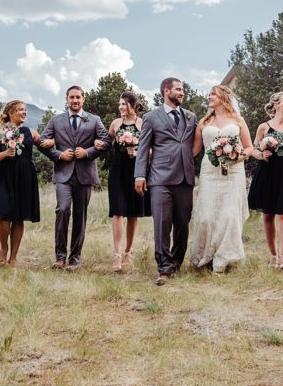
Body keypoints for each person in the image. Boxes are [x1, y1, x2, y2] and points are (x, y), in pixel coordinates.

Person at [134, 77, 197, 286]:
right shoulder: (151, 117)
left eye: (183, 90)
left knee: (183, 224)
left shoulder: (191, 116)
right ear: (166, 91)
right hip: (160, 178)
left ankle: (176, 263)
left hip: (185, 176)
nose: (182, 93)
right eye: (178, 89)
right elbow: (143, 149)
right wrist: (140, 175)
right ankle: (164, 267)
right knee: (161, 223)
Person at [40, 85, 110, 270]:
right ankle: (60, 257)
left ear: (83, 99)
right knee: (62, 210)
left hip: (85, 175)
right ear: (66, 99)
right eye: (71, 97)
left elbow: (106, 142)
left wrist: (87, 152)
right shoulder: (56, 120)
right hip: (63, 174)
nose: (75, 100)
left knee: (81, 215)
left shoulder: (94, 120)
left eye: (78, 97)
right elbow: (42, 143)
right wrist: (58, 155)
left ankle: (75, 258)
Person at [189, 84, 256, 274]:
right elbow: (193, 150)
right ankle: (205, 256)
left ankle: (223, 258)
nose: (209, 96)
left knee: (229, 215)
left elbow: (249, 147)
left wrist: (236, 157)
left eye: (213, 94)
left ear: (223, 97)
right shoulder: (204, 122)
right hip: (209, 172)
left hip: (233, 173)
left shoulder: (237, 120)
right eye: (209, 94)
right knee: (206, 216)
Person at [248, 92, 283, 270]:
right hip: (267, 173)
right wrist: (261, 154)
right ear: (276, 105)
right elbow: (253, 149)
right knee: (267, 215)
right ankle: (273, 255)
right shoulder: (263, 127)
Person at [0, 100, 45, 266]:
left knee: (19, 216)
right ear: (10, 113)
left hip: (24, 176)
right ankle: (3, 247)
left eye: (25, 110)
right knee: (2, 213)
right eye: (20, 110)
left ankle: (13, 257)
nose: (24, 112)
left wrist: (54, 144)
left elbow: (45, 146)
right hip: (4, 175)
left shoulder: (31, 132)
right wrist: (5, 153)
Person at [106, 92, 148, 272]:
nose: (121, 107)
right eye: (120, 104)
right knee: (117, 212)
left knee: (132, 213)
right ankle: (116, 255)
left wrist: (138, 153)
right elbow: (108, 143)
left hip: (136, 172)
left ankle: (128, 252)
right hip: (117, 170)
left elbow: (151, 148)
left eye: (124, 104)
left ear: (133, 105)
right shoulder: (115, 123)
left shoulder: (143, 124)